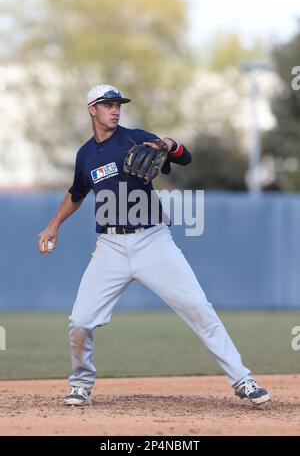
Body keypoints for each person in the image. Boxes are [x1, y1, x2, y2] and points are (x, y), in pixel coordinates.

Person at [38, 84, 271, 407]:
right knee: (80, 321)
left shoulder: (134, 137)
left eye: (118, 104)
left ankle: (243, 379)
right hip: (110, 246)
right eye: (108, 105)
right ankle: (80, 383)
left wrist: (169, 145)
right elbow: (77, 193)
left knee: (199, 308)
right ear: (92, 109)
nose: (115, 109)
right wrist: (53, 226)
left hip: (152, 240)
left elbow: (183, 156)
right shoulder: (85, 155)